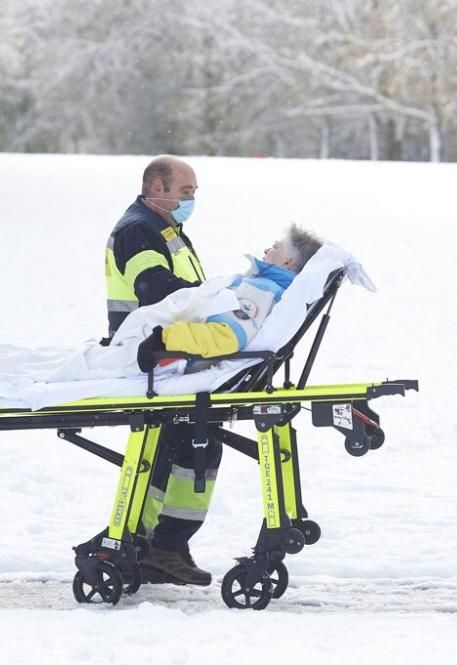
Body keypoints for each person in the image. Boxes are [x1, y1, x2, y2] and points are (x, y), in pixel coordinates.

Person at [104, 155, 223, 586]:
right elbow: (154, 289)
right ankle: (150, 544)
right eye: (185, 192)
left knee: (198, 447)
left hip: (172, 357)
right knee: (179, 449)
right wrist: (216, 299)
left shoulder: (167, 229)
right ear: (157, 187)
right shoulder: (138, 231)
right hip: (149, 358)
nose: (192, 200)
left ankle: (165, 546)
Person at [137, 225, 323, 371]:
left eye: (275, 247)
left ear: (288, 262)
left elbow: (226, 336)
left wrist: (163, 339)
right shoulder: (265, 287)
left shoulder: (262, 291)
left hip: (185, 357)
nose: (267, 249)